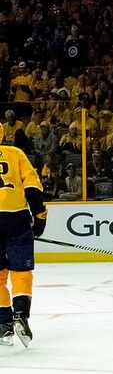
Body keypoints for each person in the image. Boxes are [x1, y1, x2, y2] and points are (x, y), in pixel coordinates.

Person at [0, 123, 48, 347]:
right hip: (16, 218)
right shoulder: (16, 153)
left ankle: (3, 323)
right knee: (21, 270)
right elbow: (32, 188)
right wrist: (40, 215)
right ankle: (20, 313)